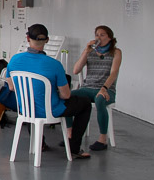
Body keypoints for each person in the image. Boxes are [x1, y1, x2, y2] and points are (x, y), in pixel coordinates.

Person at [6, 23, 93, 159]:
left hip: (26, 110)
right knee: (85, 104)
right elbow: (65, 95)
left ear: (28, 38)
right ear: (47, 40)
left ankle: (40, 144)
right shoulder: (54, 65)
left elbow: (11, 87)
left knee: (31, 100)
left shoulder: (14, 60)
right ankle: (74, 148)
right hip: (50, 111)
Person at [68, 25, 122, 151]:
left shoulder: (116, 52)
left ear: (109, 37)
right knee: (68, 96)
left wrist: (104, 88)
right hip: (88, 87)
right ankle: (70, 134)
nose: (99, 38)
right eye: (97, 35)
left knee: (100, 100)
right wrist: (86, 51)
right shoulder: (90, 51)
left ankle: (103, 138)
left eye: (102, 35)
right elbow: (76, 70)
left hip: (106, 89)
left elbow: (114, 73)